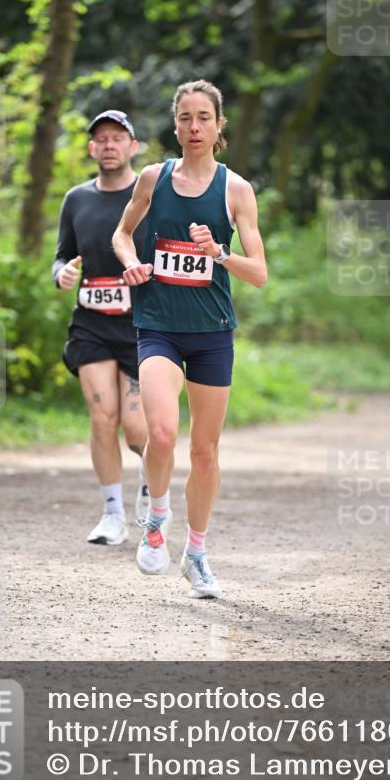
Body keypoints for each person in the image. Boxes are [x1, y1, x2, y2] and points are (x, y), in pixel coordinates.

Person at [112, 79, 267, 599]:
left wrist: (218, 254)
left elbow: (260, 273)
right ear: (174, 124)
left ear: (219, 126)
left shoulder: (236, 190)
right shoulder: (153, 179)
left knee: (204, 451)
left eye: (204, 117)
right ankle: (157, 517)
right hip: (158, 326)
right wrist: (133, 264)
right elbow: (122, 232)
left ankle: (196, 554)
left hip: (212, 334)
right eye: (185, 118)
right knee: (160, 432)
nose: (194, 127)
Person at [52, 109, 150, 544]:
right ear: (92, 149)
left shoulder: (148, 195)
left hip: (140, 324)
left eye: (117, 138)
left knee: (138, 427)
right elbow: (61, 254)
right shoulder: (76, 199)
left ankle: (152, 496)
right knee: (101, 418)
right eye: (101, 140)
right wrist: (61, 275)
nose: (109, 145)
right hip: (91, 322)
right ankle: (113, 514)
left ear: (132, 146)